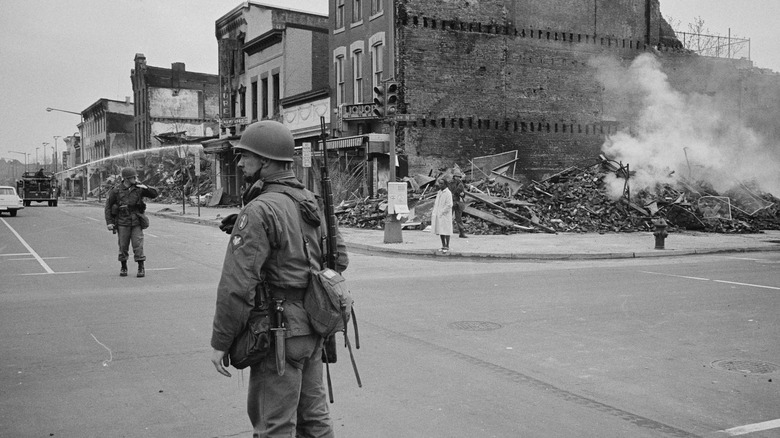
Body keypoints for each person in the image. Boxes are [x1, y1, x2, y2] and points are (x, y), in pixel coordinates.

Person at [210, 120, 349, 438]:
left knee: (274, 426)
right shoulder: (310, 201)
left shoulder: (259, 211)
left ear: (266, 161)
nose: (242, 163)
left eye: (246, 156)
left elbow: (237, 287)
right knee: (314, 421)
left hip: (279, 334)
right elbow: (339, 259)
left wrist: (220, 343)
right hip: (314, 330)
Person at [104, 167, 158, 277]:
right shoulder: (116, 190)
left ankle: (141, 267)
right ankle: (123, 266)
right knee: (123, 245)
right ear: (127, 179)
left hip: (136, 221)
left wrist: (145, 187)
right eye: (133, 177)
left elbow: (154, 194)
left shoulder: (139, 188)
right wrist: (109, 222)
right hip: (122, 221)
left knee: (138, 245)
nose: (135, 179)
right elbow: (108, 207)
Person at [431, 177, 453, 253]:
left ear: (445, 184)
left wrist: (442, 212)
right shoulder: (439, 192)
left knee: (446, 230)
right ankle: (443, 245)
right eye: (439, 183)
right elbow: (436, 203)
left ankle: (447, 245)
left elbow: (449, 205)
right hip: (439, 214)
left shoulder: (448, 193)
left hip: (445, 215)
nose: (440, 185)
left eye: (442, 184)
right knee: (441, 230)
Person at [449, 168, 467, 238]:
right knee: (448, 217)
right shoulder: (450, 183)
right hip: (451, 201)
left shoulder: (460, 184)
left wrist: (462, 194)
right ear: (454, 176)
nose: (458, 178)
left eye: (459, 177)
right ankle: (446, 232)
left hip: (458, 202)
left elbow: (462, 193)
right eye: (457, 177)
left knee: (458, 218)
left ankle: (461, 233)